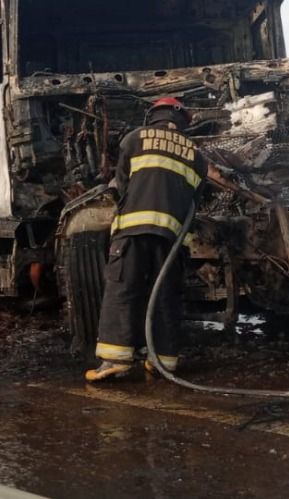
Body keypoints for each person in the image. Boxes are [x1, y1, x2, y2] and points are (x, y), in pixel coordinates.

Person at [86, 97, 208, 382]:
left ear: (152, 116)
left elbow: (122, 184)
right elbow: (195, 200)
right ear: (183, 122)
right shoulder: (197, 156)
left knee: (123, 287)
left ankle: (115, 360)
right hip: (172, 238)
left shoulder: (135, 138)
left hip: (133, 229)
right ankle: (163, 360)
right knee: (165, 294)